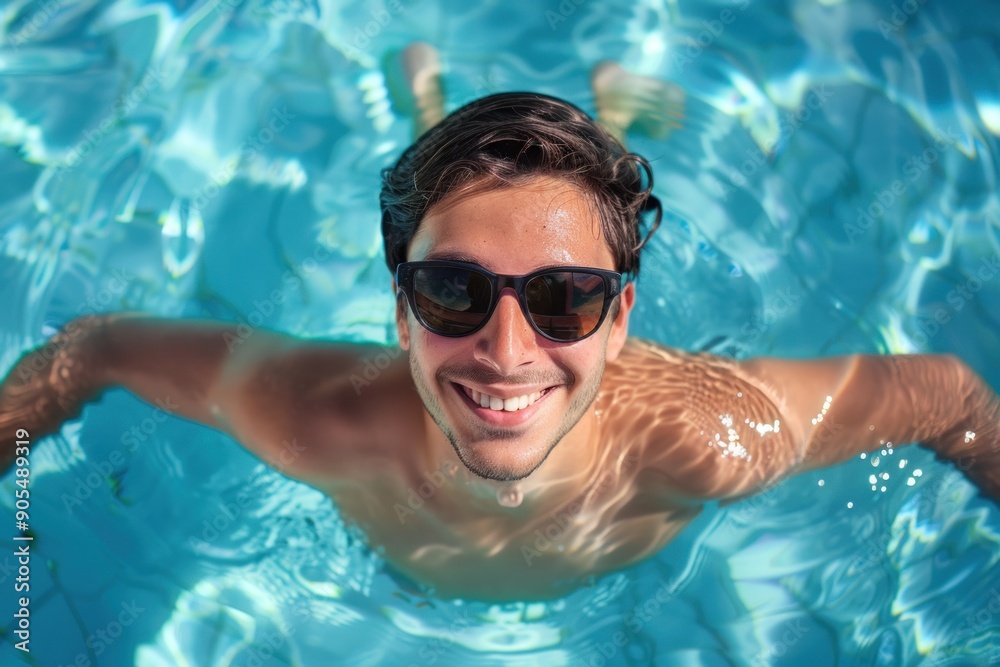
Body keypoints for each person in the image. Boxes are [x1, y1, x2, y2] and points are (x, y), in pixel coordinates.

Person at [1, 47, 998, 603]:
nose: (508, 351)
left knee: (542, 199)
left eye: (567, 299)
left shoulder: (706, 437)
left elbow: (949, 394)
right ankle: (429, 104)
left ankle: (595, 119)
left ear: (621, 322)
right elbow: (96, 349)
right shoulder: (316, 416)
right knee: (474, 193)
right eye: (450, 294)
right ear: (399, 312)